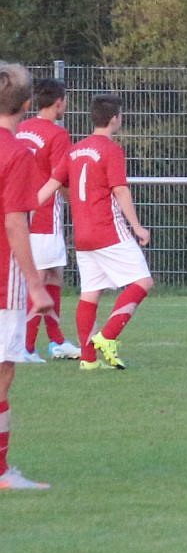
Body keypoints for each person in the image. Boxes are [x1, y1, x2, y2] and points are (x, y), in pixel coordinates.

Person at [41, 95, 151, 371]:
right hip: (108, 230)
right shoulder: (111, 150)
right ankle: (108, 335)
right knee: (143, 282)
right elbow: (120, 189)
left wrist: (22, 209)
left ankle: (88, 359)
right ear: (114, 119)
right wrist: (137, 226)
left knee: (90, 294)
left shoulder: (75, 150)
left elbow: (51, 185)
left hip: (83, 235)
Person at [0, 62, 55, 490]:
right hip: (4, 280)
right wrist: (36, 283)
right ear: (27, 103)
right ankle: (1, 473)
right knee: (2, 374)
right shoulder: (16, 153)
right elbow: (15, 221)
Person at [17, 79, 79, 362]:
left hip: (20, 212)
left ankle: (57, 341)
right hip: (44, 214)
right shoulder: (57, 134)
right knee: (40, 279)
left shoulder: (22, 128)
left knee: (53, 275)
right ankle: (26, 346)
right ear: (58, 102)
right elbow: (60, 178)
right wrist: (78, 203)